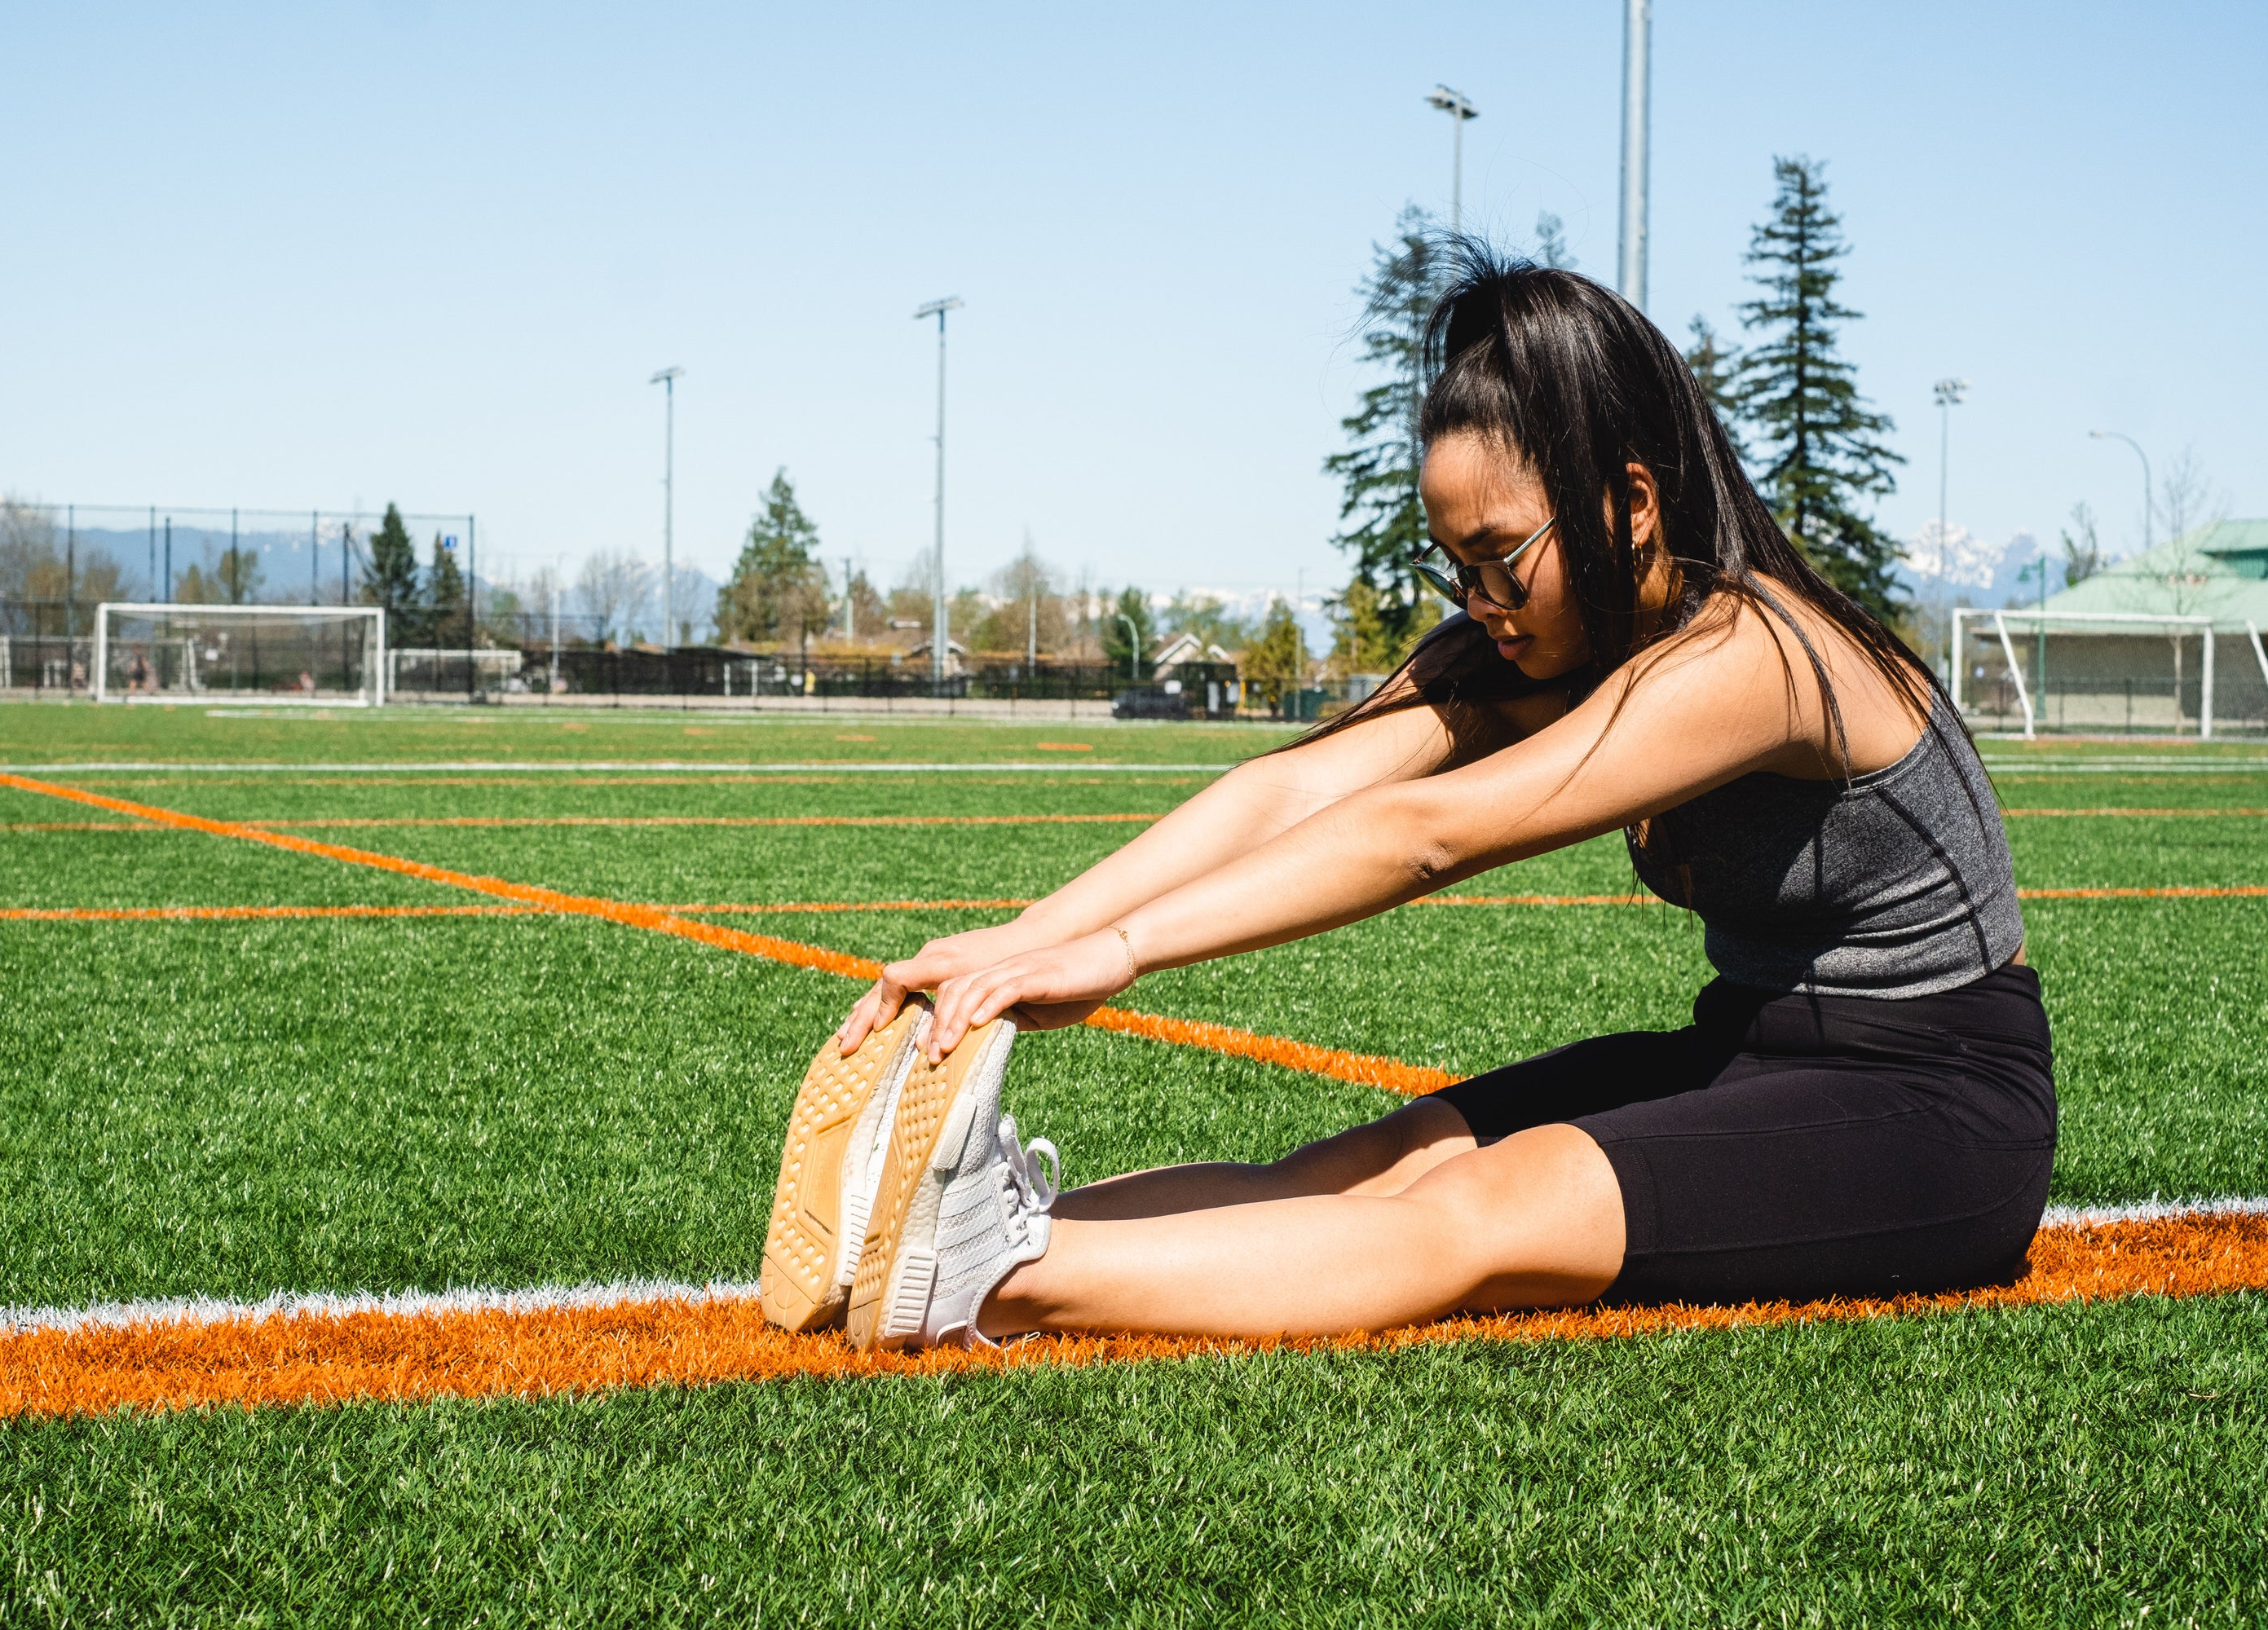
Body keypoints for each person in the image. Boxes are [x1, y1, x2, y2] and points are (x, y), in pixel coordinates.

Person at [808, 244, 2052, 1352]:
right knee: (1369, 1164)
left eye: (1501, 556)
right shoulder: (1543, 643)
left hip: (1937, 1099)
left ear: (1630, 502)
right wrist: (1026, 942)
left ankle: (993, 1274)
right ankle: (917, 1250)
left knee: (1481, 1215)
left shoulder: (1756, 658)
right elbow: (1289, 787)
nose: (1478, 603)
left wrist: (1118, 954)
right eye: (1452, 565)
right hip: (1748, 1047)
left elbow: (1427, 834)